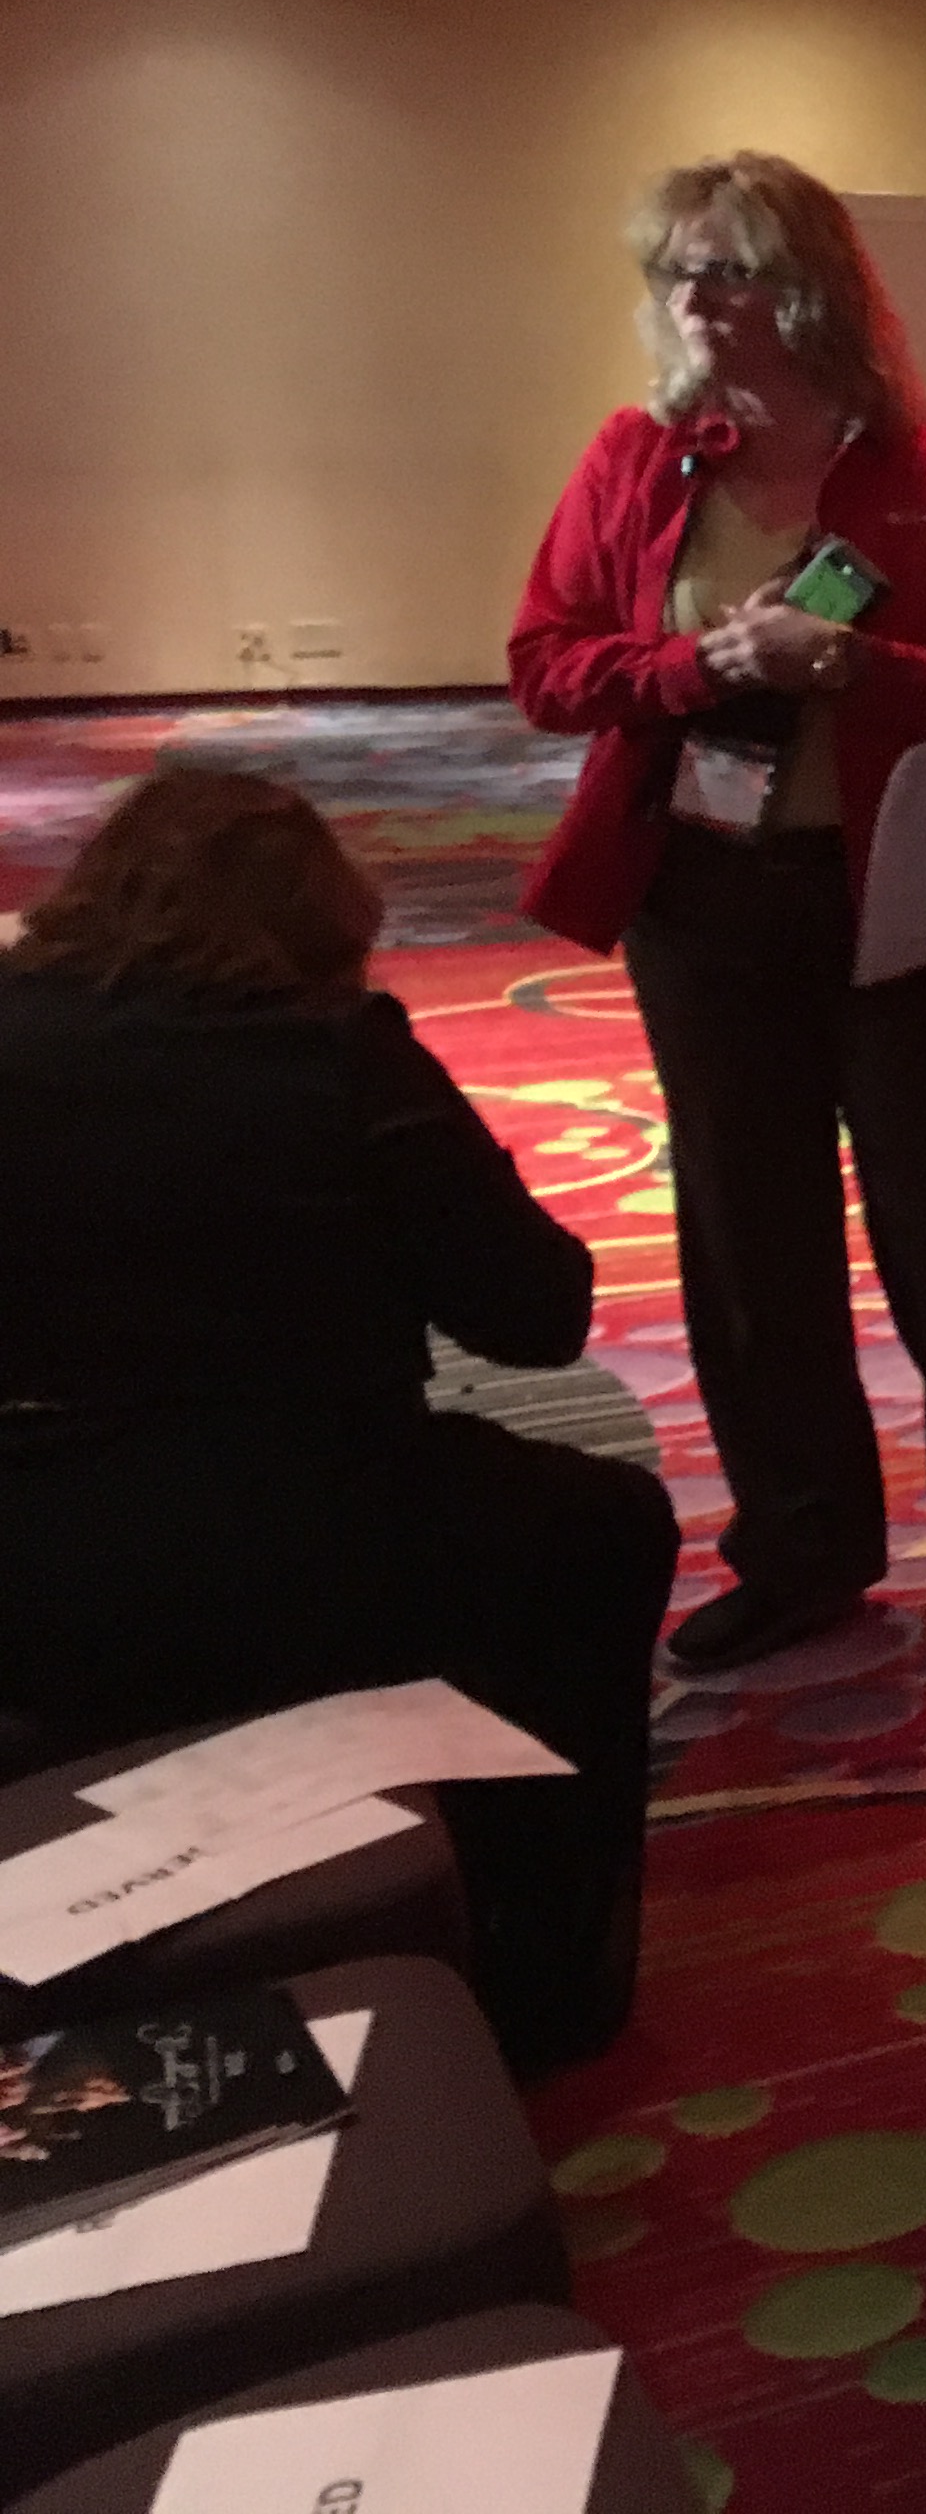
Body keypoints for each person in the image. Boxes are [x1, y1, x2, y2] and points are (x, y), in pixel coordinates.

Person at [511, 153, 926, 1676]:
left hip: (902, 895)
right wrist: (700, 668)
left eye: (729, 269)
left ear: (812, 290)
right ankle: (802, 1545)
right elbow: (547, 666)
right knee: (747, 1233)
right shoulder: (635, 460)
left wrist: (859, 667)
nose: (695, 300)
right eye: (676, 272)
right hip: (705, 899)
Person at [0, 771, 678, 2072]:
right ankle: (542, 1962)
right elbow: (537, 1316)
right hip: (307, 1533)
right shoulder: (336, 1054)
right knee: (602, 1525)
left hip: (33, 1553)